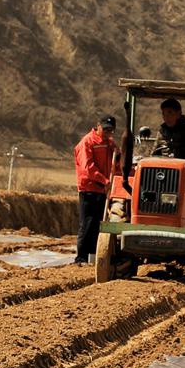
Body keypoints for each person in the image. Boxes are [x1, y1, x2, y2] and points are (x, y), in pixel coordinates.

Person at [73, 113, 117, 265]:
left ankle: (93, 256)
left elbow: (116, 161)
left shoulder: (110, 144)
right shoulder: (87, 142)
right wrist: (105, 180)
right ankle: (81, 258)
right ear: (98, 127)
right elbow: (88, 168)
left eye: (111, 131)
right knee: (87, 223)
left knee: (99, 223)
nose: (108, 133)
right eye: (105, 130)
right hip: (89, 188)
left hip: (103, 189)